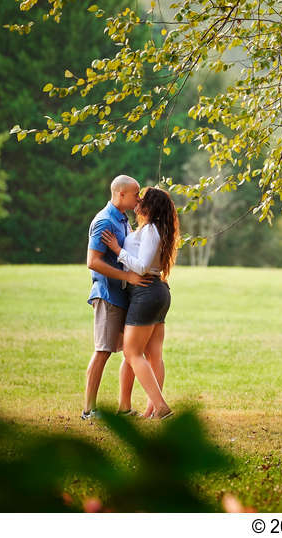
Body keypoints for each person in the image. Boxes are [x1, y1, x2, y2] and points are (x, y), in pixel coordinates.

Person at [101, 186, 179, 420]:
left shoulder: (151, 230)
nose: (138, 202)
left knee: (132, 353)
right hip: (156, 291)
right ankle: (151, 410)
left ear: (150, 206)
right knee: (154, 355)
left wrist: (117, 250)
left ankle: (160, 406)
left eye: (142, 199)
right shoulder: (153, 229)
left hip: (145, 292)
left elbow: (143, 266)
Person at [82, 175, 151, 420]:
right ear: (121, 194)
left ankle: (124, 407)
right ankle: (89, 410)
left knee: (130, 351)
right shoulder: (104, 221)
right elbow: (93, 262)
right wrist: (129, 277)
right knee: (102, 350)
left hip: (122, 296)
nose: (139, 198)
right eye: (135, 193)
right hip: (107, 295)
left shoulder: (122, 220)